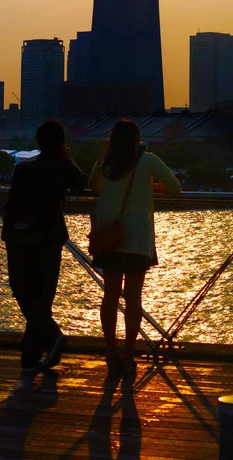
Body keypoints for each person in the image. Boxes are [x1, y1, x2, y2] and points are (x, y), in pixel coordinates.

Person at [89, 119, 181, 374]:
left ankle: (110, 351)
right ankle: (129, 354)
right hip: (137, 240)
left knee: (109, 297)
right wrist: (150, 186)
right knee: (133, 299)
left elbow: (92, 186)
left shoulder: (104, 163)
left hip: (109, 239)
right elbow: (176, 188)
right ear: (137, 140)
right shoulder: (148, 161)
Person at [2, 120, 87, 372]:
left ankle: (33, 354)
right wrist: (68, 157)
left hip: (19, 239)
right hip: (49, 237)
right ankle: (48, 341)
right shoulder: (63, 167)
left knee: (22, 291)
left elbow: (12, 205)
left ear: (38, 142)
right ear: (62, 143)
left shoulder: (23, 170)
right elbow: (82, 183)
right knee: (43, 295)